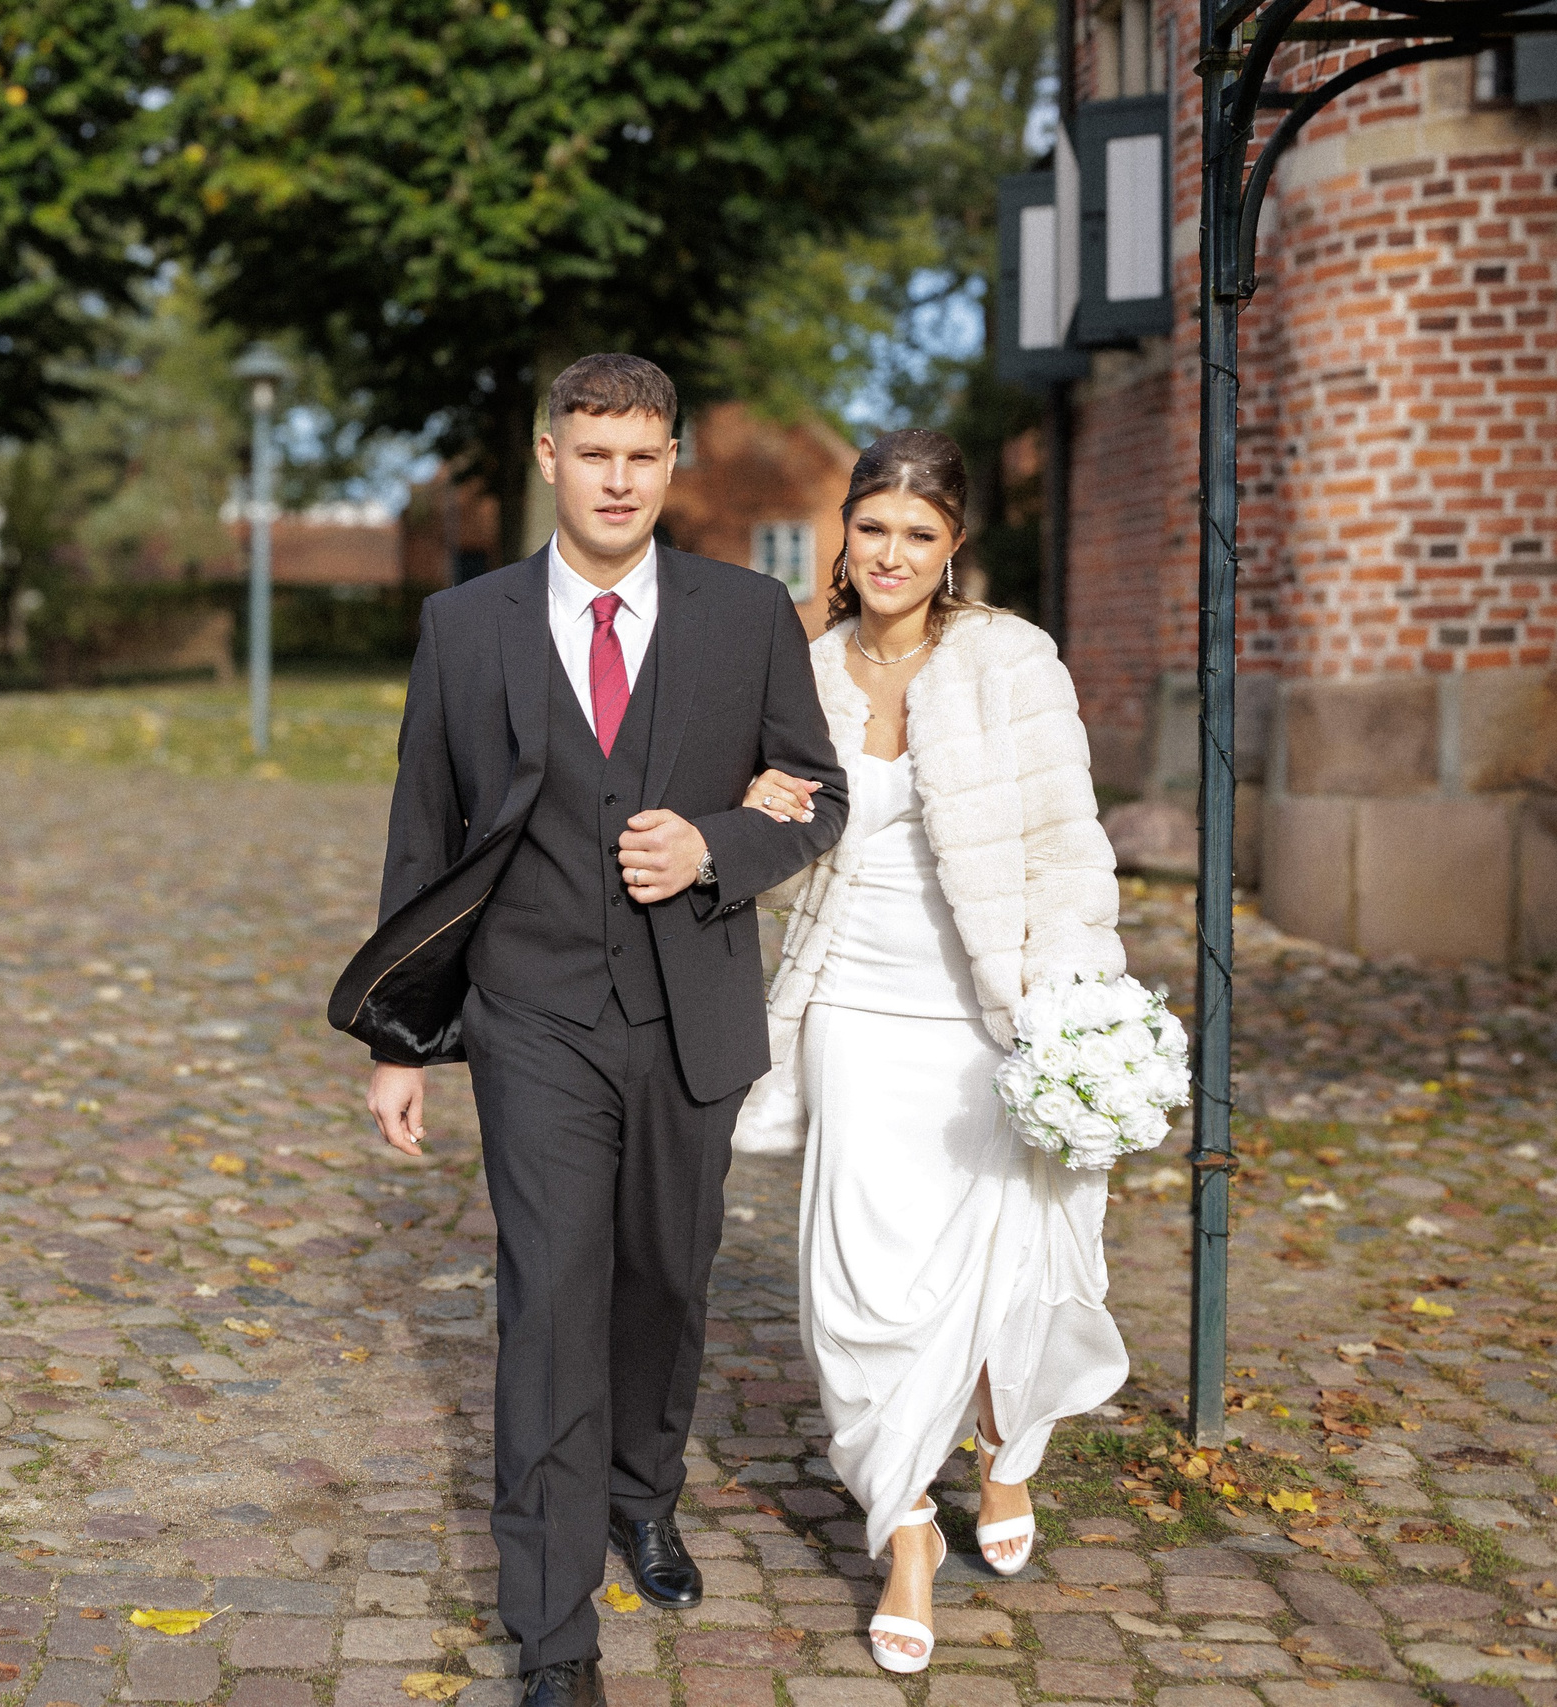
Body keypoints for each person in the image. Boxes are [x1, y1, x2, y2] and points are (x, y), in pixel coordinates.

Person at [328, 354, 849, 1707]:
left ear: (672, 462)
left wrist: (719, 840)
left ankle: (643, 1489)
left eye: (642, 454)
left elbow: (816, 792)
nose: (618, 478)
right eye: (593, 452)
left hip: (692, 1010)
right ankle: (555, 1632)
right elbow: (423, 834)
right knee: (549, 1300)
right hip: (533, 1011)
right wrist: (399, 1036)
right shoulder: (466, 625)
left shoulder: (747, 617)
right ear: (550, 458)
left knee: (664, 1279)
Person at [731, 429, 1128, 1675]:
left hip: (984, 1003)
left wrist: (1075, 1008)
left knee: (1001, 1248)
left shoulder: (1010, 660)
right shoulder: (797, 668)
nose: (891, 553)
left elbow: (1067, 841)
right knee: (851, 1283)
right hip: (849, 998)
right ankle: (905, 1521)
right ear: (842, 534)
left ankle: (1004, 1445)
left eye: (919, 534)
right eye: (871, 528)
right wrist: (753, 812)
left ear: (952, 546)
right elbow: (763, 841)